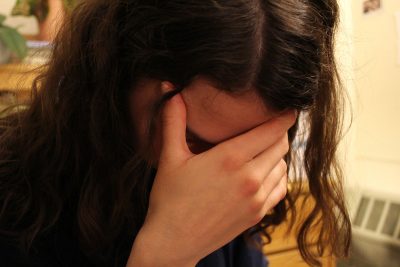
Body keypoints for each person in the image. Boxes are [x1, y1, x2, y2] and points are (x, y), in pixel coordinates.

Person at [0, 0, 351, 266]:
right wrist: (165, 254)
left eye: (253, 147)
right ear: (120, 67)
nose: (228, 170)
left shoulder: (236, 190)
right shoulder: (16, 201)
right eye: (196, 140)